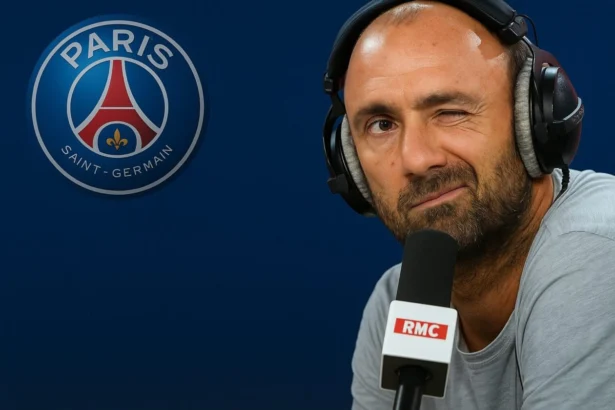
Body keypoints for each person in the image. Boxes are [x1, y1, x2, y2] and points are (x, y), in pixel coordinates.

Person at [320, 1, 615, 409]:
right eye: (382, 125)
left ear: (533, 120)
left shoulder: (597, 252)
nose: (416, 159)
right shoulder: (397, 304)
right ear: (350, 163)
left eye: (451, 112)